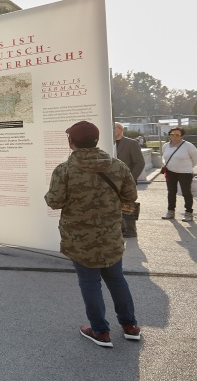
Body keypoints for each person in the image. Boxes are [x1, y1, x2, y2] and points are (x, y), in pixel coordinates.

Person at [45, 121, 140, 347]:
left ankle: (100, 332)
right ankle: (130, 326)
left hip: (80, 240)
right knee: (117, 280)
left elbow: (54, 201)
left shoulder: (64, 170)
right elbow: (130, 196)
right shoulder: (117, 166)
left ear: (72, 142)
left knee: (90, 284)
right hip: (111, 237)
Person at [161, 127, 197, 222]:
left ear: (182, 136)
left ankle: (188, 213)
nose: (174, 136)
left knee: (186, 192)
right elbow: (164, 157)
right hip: (170, 172)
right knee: (171, 192)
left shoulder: (188, 146)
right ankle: (170, 211)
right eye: (172, 134)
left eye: (177, 134)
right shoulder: (165, 146)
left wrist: (188, 167)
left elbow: (196, 159)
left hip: (185, 173)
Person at [114, 122, 145, 238]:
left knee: (128, 205)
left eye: (114, 128)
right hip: (111, 181)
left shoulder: (131, 143)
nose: (112, 130)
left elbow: (139, 162)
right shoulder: (107, 142)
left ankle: (130, 230)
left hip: (127, 181)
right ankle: (119, 228)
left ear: (121, 130)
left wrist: (131, 178)